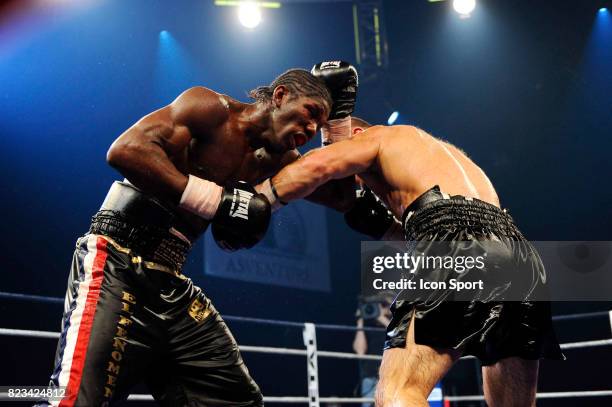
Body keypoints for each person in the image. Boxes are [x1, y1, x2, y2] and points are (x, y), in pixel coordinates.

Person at [42, 63, 358, 406]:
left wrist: (339, 121)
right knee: (74, 400)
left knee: (237, 401)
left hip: (170, 284)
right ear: (280, 96)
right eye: (310, 113)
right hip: (117, 260)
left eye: (319, 122)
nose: (312, 127)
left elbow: (342, 198)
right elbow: (125, 150)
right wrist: (213, 200)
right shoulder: (211, 110)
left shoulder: (280, 161)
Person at [260, 118, 564, 407]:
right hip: (520, 253)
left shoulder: (374, 137)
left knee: (397, 393)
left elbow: (316, 165)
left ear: (355, 136)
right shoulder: (437, 154)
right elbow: (444, 223)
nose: (355, 185)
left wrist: (260, 200)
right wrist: (384, 225)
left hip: (456, 243)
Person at [353, 294, 392, 407]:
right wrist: (360, 321)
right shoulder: (367, 326)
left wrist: (382, 319)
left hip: (390, 376)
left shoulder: (397, 324)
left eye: (384, 305)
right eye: (378, 305)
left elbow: (400, 337)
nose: (380, 308)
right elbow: (360, 352)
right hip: (370, 377)